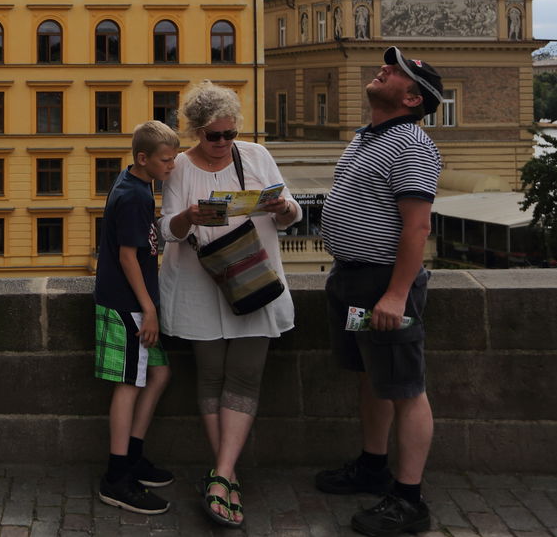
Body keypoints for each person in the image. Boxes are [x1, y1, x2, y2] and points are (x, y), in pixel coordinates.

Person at [158, 81, 301, 528]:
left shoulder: (255, 155)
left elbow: (292, 213)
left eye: (228, 134)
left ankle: (220, 475)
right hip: (200, 286)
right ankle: (228, 475)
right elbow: (168, 229)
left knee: (244, 377)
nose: (221, 143)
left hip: (253, 280)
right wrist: (189, 216)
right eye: (212, 136)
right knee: (211, 377)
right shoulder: (180, 165)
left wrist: (282, 206)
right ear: (196, 131)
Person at [315, 47, 444, 537]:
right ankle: (372, 467)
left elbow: (416, 228)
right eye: (389, 66)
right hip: (353, 278)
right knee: (373, 376)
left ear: (412, 97)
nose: (384, 69)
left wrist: (395, 295)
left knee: (407, 388)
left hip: (383, 283)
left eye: (397, 72)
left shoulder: (412, 144)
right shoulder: (370, 135)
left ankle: (409, 500)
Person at [93, 119, 181, 515]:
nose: (172, 166)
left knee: (159, 373)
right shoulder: (133, 196)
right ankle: (116, 478)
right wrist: (148, 310)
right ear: (143, 158)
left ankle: (133, 455)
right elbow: (129, 256)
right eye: (166, 160)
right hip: (126, 305)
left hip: (135, 303)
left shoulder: (137, 181)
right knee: (128, 384)